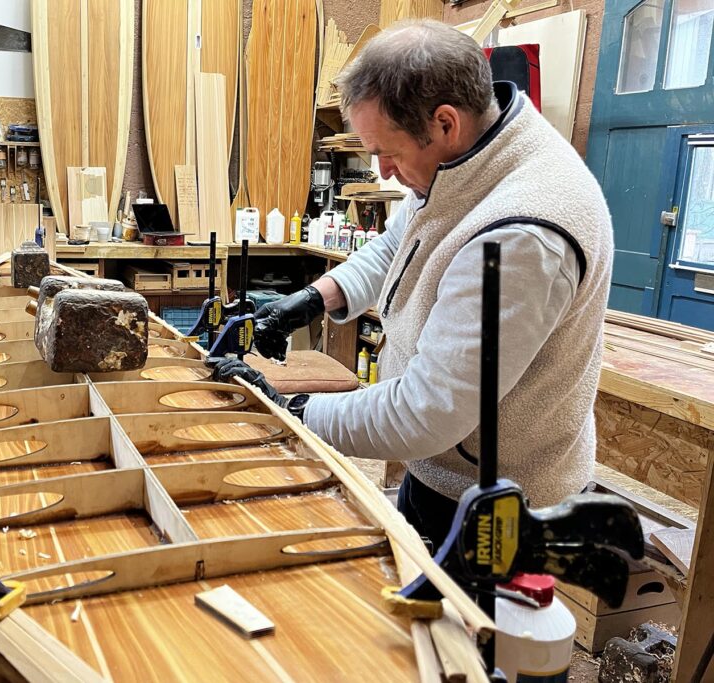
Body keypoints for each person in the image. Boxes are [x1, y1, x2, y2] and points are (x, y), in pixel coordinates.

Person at [211, 20, 613, 550]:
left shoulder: (522, 235)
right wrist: (312, 300)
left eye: (389, 153)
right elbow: (397, 242)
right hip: (442, 468)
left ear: (445, 122)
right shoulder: (469, 156)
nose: (383, 171)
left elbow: (428, 411)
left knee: (467, 632)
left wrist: (292, 409)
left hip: (499, 501)